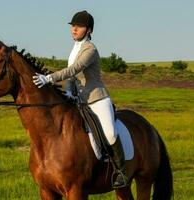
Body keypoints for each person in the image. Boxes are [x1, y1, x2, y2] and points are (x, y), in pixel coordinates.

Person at [32, 10, 128, 188]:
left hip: (96, 99)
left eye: (79, 26)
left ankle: (121, 172)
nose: (74, 29)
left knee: (110, 132)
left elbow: (74, 69)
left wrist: (49, 78)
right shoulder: (74, 48)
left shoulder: (90, 49)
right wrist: (68, 92)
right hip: (79, 99)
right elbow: (72, 78)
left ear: (89, 30)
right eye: (73, 26)